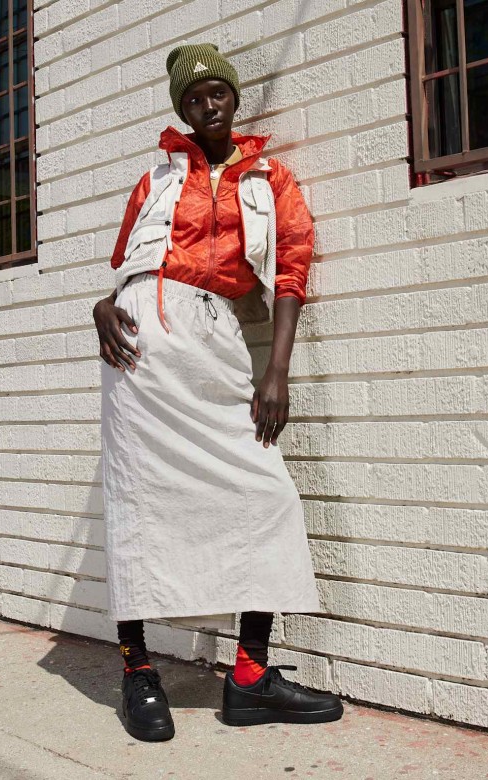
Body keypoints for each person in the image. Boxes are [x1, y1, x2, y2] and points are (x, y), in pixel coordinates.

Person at [92, 43, 343, 742]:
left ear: (234, 99)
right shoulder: (155, 178)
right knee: (138, 498)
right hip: (139, 343)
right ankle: (138, 670)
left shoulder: (270, 178)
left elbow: (291, 271)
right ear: (182, 109)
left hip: (215, 336)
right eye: (194, 98)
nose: (208, 106)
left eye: (218, 94)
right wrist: (104, 305)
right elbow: (132, 266)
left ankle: (250, 676)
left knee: (265, 493)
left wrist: (276, 372)